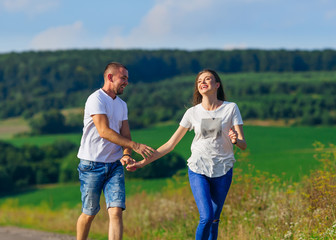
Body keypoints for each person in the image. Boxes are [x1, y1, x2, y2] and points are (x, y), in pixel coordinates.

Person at [127, 69, 247, 240]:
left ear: (217, 85)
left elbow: (243, 144)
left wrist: (236, 140)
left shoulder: (230, 108)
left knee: (214, 219)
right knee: (206, 216)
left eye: (207, 79)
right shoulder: (192, 113)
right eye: (199, 81)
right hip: (199, 168)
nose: (202, 82)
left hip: (223, 169)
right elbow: (170, 145)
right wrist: (141, 163)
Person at [76, 62, 154, 240]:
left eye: (127, 78)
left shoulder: (122, 105)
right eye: (123, 78)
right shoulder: (95, 99)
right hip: (92, 165)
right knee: (89, 213)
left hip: (115, 165)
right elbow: (104, 131)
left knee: (116, 211)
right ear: (110, 77)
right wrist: (135, 146)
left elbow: (125, 134)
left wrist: (126, 154)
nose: (127, 82)